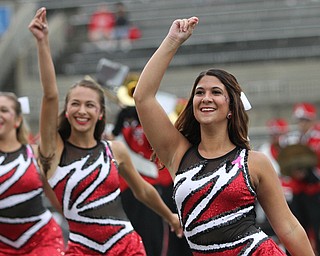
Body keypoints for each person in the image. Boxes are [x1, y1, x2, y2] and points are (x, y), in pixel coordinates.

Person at [133, 16, 315, 255]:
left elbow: (289, 228)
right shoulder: (178, 153)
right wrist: (172, 41)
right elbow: (142, 97)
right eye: (199, 92)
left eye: (215, 92)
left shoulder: (254, 162)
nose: (206, 97)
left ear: (231, 108)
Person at [29, 7, 182, 256]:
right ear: (66, 110)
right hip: (81, 249)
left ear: (100, 113)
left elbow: (142, 191)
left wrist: (171, 218)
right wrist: (43, 42)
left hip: (126, 246)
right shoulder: (52, 150)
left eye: (90, 105)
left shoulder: (115, 150)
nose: (82, 110)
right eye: (75, 104)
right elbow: (49, 95)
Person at [0, 92, 65, 255]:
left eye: (4, 110)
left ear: (18, 120)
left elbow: (57, 198)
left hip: (43, 241)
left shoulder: (35, 153)